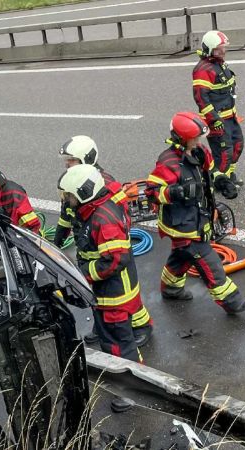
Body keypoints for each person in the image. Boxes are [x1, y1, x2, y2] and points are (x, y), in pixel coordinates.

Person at [146, 112, 245, 314]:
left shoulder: (200, 152)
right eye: (193, 138)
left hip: (197, 219)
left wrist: (222, 181)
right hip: (183, 226)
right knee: (211, 265)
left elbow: (210, 173)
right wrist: (176, 192)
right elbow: (152, 193)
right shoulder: (168, 162)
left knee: (180, 257)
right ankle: (233, 302)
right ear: (181, 138)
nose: (197, 141)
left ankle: (171, 288)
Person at [54, 136, 152, 347]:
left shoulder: (102, 183)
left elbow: (117, 215)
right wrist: (60, 236)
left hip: (108, 248)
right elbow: (68, 212)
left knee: (126, 295)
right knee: (100, 298)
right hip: (89, 248)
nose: (66, 164)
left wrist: (104, 239)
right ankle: (102, 326)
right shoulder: (75, 182)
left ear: (85, 158)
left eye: (71, 160)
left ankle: (142, 326)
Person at [193, 30, 243, 197]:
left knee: (237, 146)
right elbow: (201, 98)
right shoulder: (203, 69)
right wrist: (214, 118)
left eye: (223, 48)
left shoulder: (219, 63)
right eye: (218, 49)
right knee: (223, 154)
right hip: (217, 120)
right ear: (209, 49)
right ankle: (219, 181)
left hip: (230, 117)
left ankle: (229, 176)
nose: (223, 52)